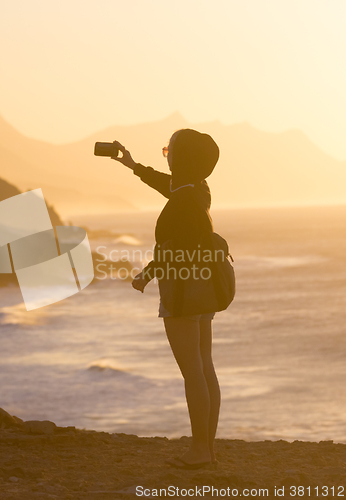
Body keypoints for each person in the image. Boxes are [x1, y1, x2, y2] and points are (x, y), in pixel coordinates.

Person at [111, 129, 221, 470]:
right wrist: (131, 164)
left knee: (193, 373)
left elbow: (174, 251)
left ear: (181, 157)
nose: (166, 154)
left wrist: (146, 273)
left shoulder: (181, 205)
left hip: (182, 295)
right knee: (205, 368)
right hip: (203, 293)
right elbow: (168, 185)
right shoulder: (197, 191)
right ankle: (207, 448)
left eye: (168, 149)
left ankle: (200, 450)